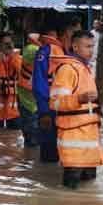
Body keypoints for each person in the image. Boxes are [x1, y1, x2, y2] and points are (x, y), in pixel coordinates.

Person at [49, 30, 103, 189]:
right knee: (70, 189)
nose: (91, 50)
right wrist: (78, 99)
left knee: (89, 189)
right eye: (87, 46)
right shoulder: (68, 70)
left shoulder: (85, 69)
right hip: (73, 144)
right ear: (75, 47)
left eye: (92, 46)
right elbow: (55, 103)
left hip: (89, 143)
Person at [33, 16, 81, 162]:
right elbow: (39, 83)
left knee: (66, 154)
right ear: (67, 32)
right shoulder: (47, 52)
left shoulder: (70, 53)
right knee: (49, 157)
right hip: (50, 113)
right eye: (76, 32)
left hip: (68, 113)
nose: (79, 36)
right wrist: (44, 112)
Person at [17, 32, 41, 147]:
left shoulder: (28, 49)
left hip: (27, 98)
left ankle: (28, 158)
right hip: (31, 101)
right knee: (33, 138)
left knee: (30, 137)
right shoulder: (34, 50)